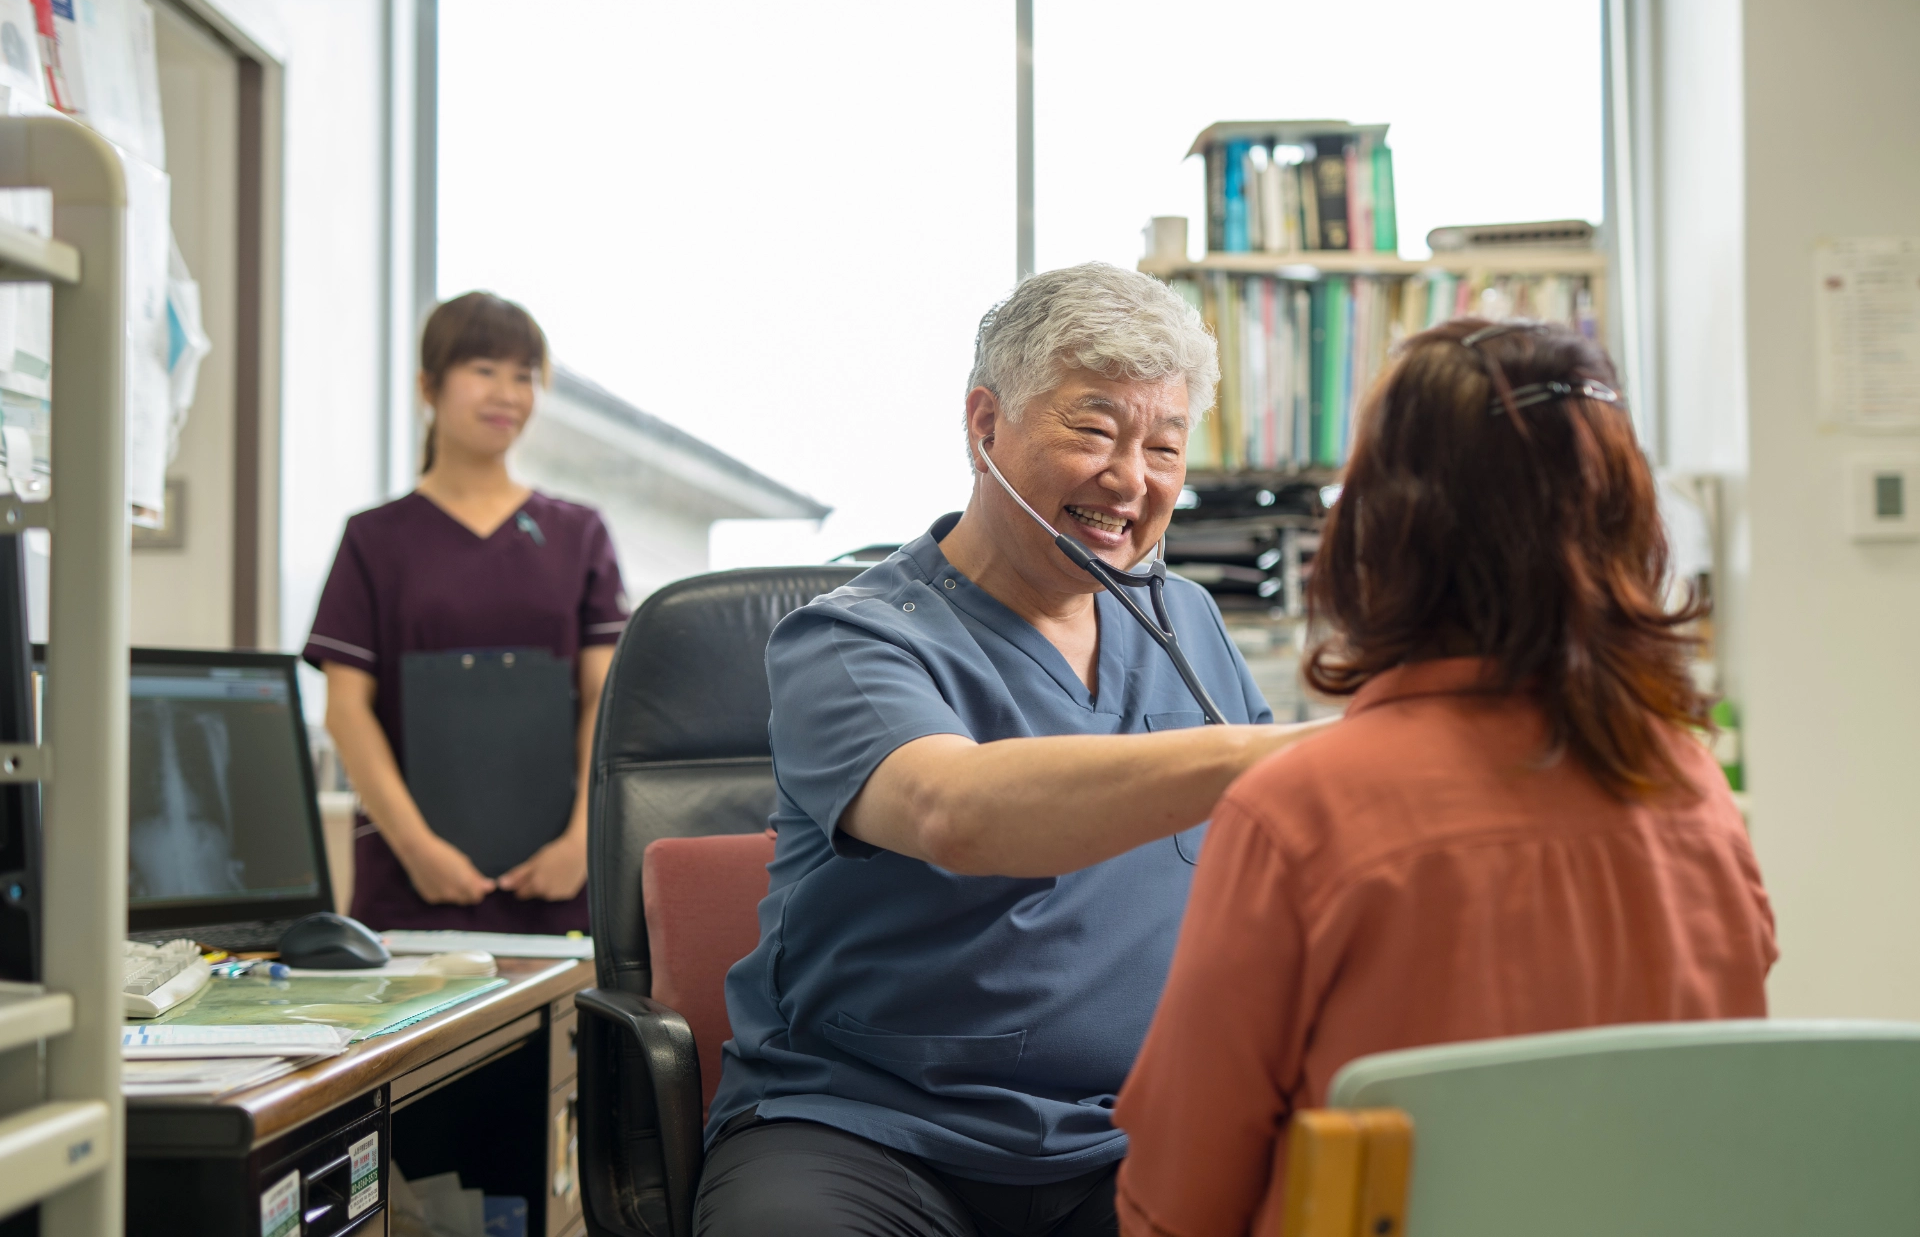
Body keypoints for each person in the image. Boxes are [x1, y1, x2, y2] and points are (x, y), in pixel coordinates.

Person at [694, 263, 1333, 1237]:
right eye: (1095, 430)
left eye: (1164, 446)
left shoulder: (1187, 623)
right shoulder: (851, 639)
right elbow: (954, 809)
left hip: (1130, 1131)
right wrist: (1283, 753)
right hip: (867, 1129)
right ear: (985, 423)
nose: (1131, 478)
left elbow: (1281, 867)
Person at [1111, 319, 1778, 1237]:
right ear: (1627, 522)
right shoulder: (1693, 791)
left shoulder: (1299, 813)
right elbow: (1724, 1125)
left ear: (1382, 527)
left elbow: (1178, 1200)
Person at [304, 292, 629, 935]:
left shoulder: (579, 534)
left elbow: (607, 698)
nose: (507, 394)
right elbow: (346, 710)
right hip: (410, 885)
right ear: (428, 386)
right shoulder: (374, 539)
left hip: (558, 884)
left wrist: (581, 843)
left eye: (524, 376)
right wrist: (418, 850)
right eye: (484, 370)